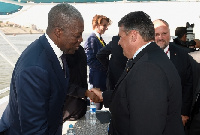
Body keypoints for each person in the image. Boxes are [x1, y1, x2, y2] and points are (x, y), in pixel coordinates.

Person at [0, 3, 98, 135]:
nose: (81, 40)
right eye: (77, 35)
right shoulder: (35, 68)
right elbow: (34, 130)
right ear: (58, 32)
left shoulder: (57, 52)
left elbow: (59, 85)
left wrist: (85, 92)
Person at [91, 11, 184, 135]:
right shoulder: (148, 57)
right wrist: (104, 95)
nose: (119, 42)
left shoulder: (148, 68)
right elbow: (132, 95)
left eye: (121, 37)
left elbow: (146, 128)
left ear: (133, 36)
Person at [153, 19, 193, 128]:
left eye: (164, 33)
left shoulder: (183, 55)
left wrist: (184, 112)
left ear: (169, 33)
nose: (160, 37)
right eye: (156, 34)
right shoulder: (143, 55)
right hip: (151, 116)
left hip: (177, 116)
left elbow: (188, 84)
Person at [84, 14, 112, 110]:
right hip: (96, 80)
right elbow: (90, 60)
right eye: (104, 25)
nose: (106, 28)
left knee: (98, 108)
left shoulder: (99, 39)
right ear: (96, 25)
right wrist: (106, 67)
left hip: (101, 79)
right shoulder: (92, 39)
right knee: (95, 109)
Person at [63, 46, 88, 121]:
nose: (81, 39)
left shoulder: (80, 49)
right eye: (76, 35)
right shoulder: (59, 54)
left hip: (80, 108)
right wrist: (85, 93)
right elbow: (62, 84)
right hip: (66, 112)